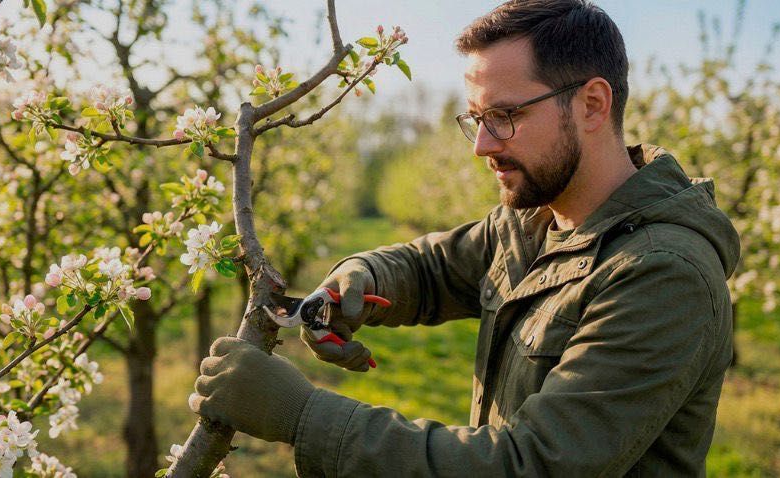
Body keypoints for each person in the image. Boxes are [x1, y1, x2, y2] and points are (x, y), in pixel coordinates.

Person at [188, 0, 741, 475]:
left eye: (504, 116)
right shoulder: (537, 222)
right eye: (475, 118)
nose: (481, 145)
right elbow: (432, 268)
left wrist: (302, 416)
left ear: (592, 104)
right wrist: (360, 277)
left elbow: (531, 464)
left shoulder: (663, 273)